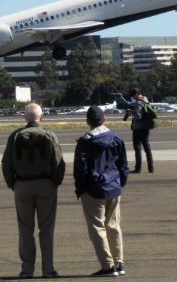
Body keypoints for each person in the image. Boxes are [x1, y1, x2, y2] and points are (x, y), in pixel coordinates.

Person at [1, 103, 65, 279]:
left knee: (25, 230)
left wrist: (13, 184)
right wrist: (54, 183)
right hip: (45, 183)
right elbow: (59, 163)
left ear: (25, 118)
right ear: (41, 117)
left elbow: (6, 164)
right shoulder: (49, 135)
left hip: (22, 184)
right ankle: (48, 269)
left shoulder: (15, 136)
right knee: (46, 229)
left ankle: (27, 270)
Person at [74, 105, 129, 277]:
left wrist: (81, 189)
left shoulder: (85, 142)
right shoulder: (115, 138)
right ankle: (119, 263)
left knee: (97, 228)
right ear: (104, 119)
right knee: (113, 226)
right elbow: (123, 165)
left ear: (88, 121)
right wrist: (120, 183)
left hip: (93, 189)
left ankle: (107, 266)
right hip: (113, 187)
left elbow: (80, 169)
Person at [118, 88, 154, 174]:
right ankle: (151, 168)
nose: (133, 98)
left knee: (137, 148)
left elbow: (138, 116)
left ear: (137, 94)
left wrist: (131, 112)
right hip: (146, 127)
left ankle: (138, 168)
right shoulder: (146, 100)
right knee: (147, 148)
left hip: (138, 128)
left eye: (133, 96)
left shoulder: (138, 103)